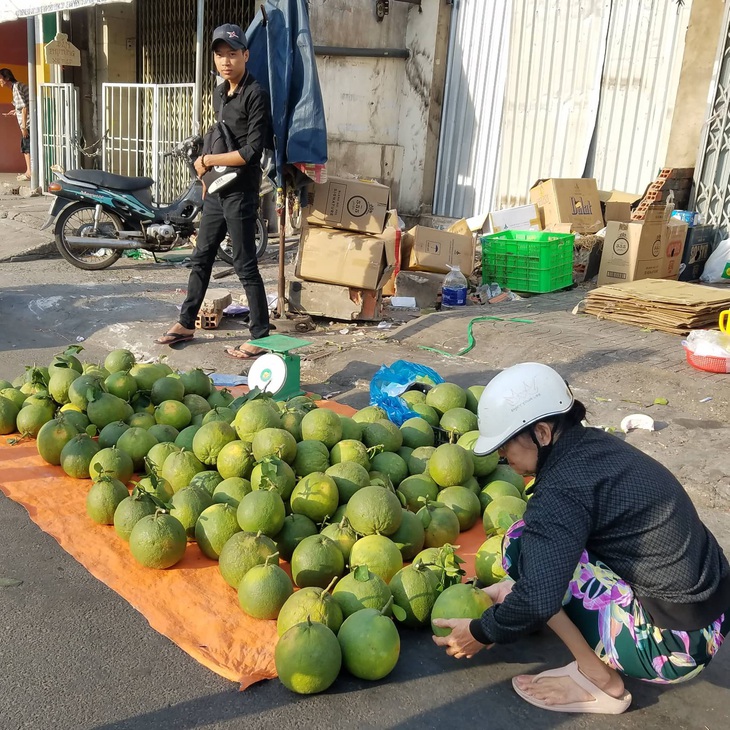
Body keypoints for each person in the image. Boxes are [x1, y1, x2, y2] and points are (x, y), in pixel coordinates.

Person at [432, 362, 730, 715]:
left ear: (541, 433)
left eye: (505, 445)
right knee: (527, 539)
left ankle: (601, 680)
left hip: (674, 647)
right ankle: (527, 599)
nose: (501, 456)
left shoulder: (562, 489)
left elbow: (539, 600)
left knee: (531, 563)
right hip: (712, 607)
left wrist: (481, 632)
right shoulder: (594, 446)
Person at [157, 24, 271, 358]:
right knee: (201, 256)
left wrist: (208, 159)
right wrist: (205, 174)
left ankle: (261, 336)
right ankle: (186, 321)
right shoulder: (220, 93)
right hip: (217, 190)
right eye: (220, 54)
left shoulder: (255, 94)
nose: (225, 61)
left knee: (244, 262)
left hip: (241, 193)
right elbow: (220, 134)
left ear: (245, 56)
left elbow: (251, 151)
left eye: (232, 54)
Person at [0, 68, 31, 181]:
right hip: (28, 121)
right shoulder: (17, 87)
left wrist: (24, 127)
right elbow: (21, 107)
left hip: (28, 122)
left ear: (7, 78)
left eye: (1, 78)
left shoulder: (16, 88)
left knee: (26, 147)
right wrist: (13, 112)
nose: (0, 81)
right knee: (27, 147)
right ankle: (30, 171)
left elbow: (24, 107)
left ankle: (29, 173)